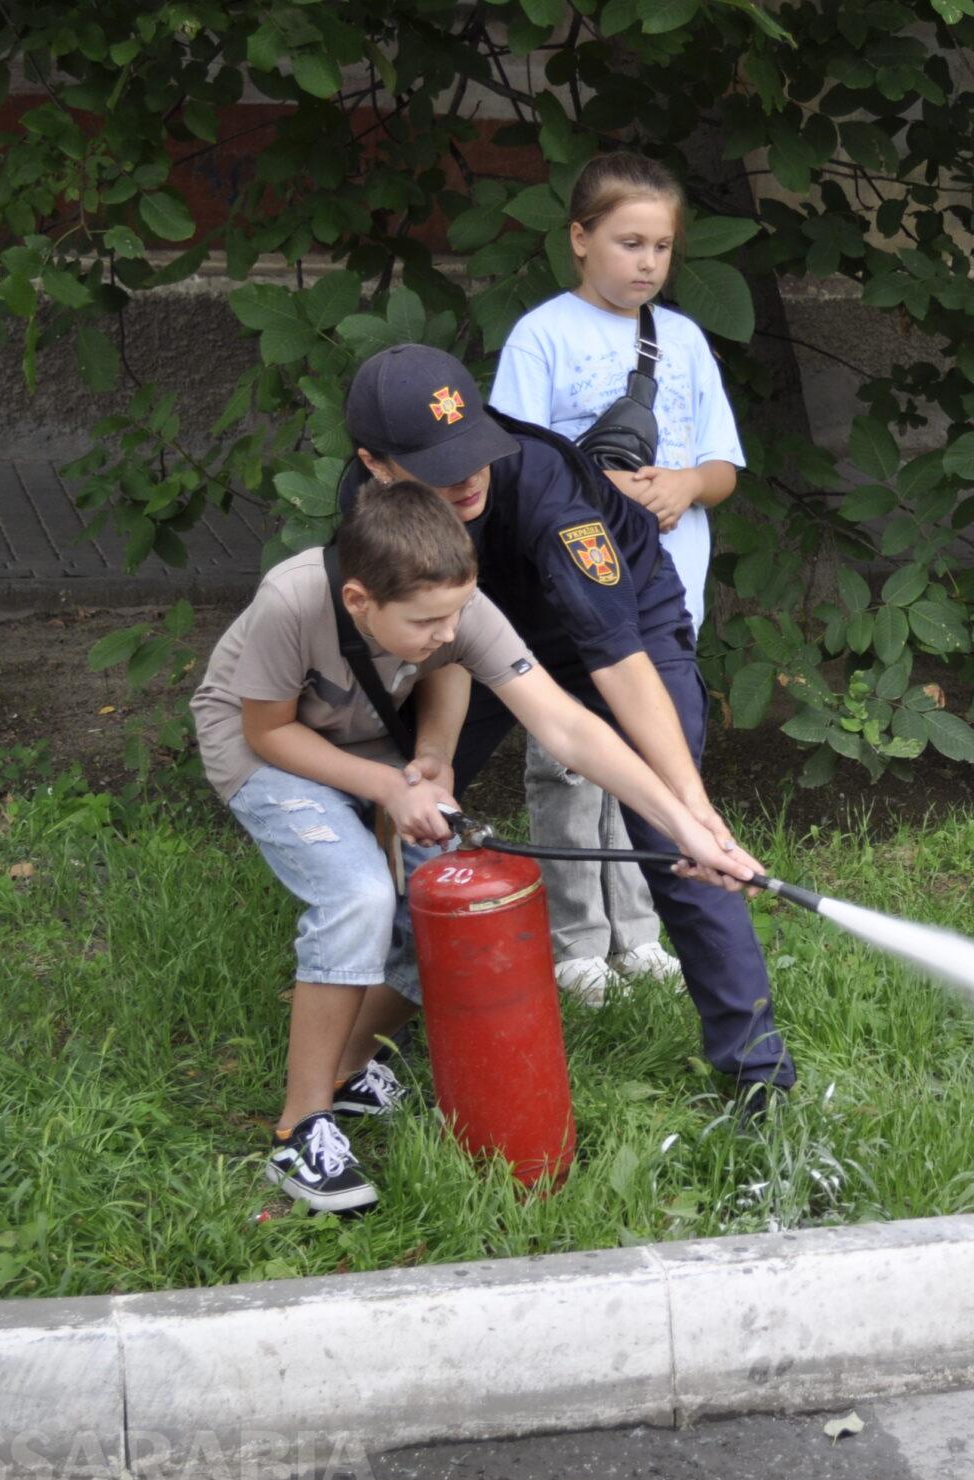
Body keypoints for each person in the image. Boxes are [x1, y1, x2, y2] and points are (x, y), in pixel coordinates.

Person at [191, 478, 761, 1213]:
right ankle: (301, 1128)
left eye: (460, 611)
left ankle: (353, 1068)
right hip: (263, 754)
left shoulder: (453, 610)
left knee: (445, 905)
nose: (451, 630)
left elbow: (568, 726)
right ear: (361, 602)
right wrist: (389, 787)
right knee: (360, 892)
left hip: (373, 744)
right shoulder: (293, 599)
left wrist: (691, 827)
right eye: (430, 619)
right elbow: (266, 730)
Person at [337, 342, 799, 1111]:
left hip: (625, 624)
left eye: (473, 448)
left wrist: (694, 812)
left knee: (674, 838)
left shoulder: (542, 480)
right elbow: (442, 636)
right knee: (385, 797)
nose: (467, 475)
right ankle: (376, 1033)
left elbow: (616, 660)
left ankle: (759, 1076)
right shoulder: (366, 511)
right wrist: (433, 755)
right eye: (438, 461)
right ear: (375, 466)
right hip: (482, 636)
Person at [489, 153, 747, 1007]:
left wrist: (683, 486)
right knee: (568, 765)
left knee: (650, 752)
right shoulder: (543, 335)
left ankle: (638, 933)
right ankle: (576, 943)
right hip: (573, 595)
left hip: (668, 594)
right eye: (628, 242)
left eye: (662, 247)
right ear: (579, 239)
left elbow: (722, 468)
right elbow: (516, 469)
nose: (646, 262)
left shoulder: (684, 339)